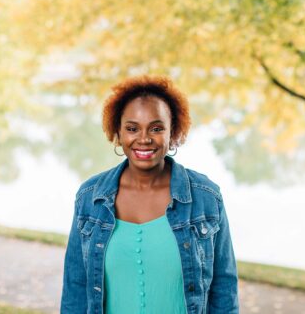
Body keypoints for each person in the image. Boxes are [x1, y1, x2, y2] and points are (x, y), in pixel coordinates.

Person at [61, 75, 239, 314]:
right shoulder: (90, 198)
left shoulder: (205, 197)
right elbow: (75, 289)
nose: (143, 139)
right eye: (132, 128)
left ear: (172, 132)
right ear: (118, 131)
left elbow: (224, 290)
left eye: (156, 128)